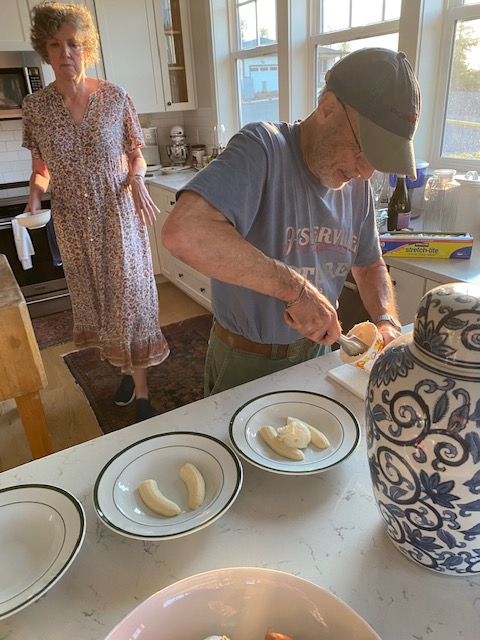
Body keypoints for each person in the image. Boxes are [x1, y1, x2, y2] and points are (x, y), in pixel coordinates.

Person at [161, 48, 421, 396]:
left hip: (321, 357)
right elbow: (184, 232)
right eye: (363, 150)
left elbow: (369, 263)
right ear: (327, 109)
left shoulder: (356, 186)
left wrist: (386, 320)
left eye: (379, 160)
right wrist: (296, 290)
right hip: (247, 360)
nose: (365, 172)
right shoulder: (262, 148)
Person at [23, 1, 169, 422]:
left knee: (129, 301)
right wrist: (35, 196)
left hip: (118, 217)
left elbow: (136, 155)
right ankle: (124, 372)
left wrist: (136, 179)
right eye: (55, 44)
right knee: (100, 304)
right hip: (73, 223)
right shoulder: (35, 108)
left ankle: (142, 392)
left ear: (86, 47)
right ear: (45, 50)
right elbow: (41, 170)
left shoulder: (115, 97)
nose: (65, 53)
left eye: (73, 43)